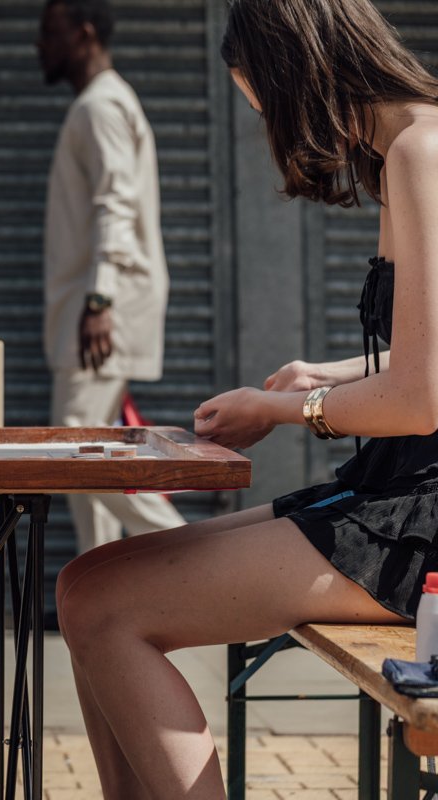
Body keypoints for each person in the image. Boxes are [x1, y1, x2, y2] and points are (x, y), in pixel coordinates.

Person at [56, 0, 438, 796]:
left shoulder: (420, 152)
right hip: (392, 490)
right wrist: (322, 376)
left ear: (300, 71)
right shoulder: (409, 149)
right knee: (85, 584)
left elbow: (419, 397)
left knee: (106, 606)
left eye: (267, 104)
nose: (279, 131)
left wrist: (282, 412)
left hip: (417, 521)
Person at [36, 0, 185, 553]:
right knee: (89, 454)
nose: (39, 45)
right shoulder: (99, 104)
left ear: (84, 33)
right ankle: (98, 582)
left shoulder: (100, 106)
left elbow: (114, 206)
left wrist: (99, 299)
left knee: (76, 449)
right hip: (94, 312)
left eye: (50, 32)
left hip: (99, 312)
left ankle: (196, 549)